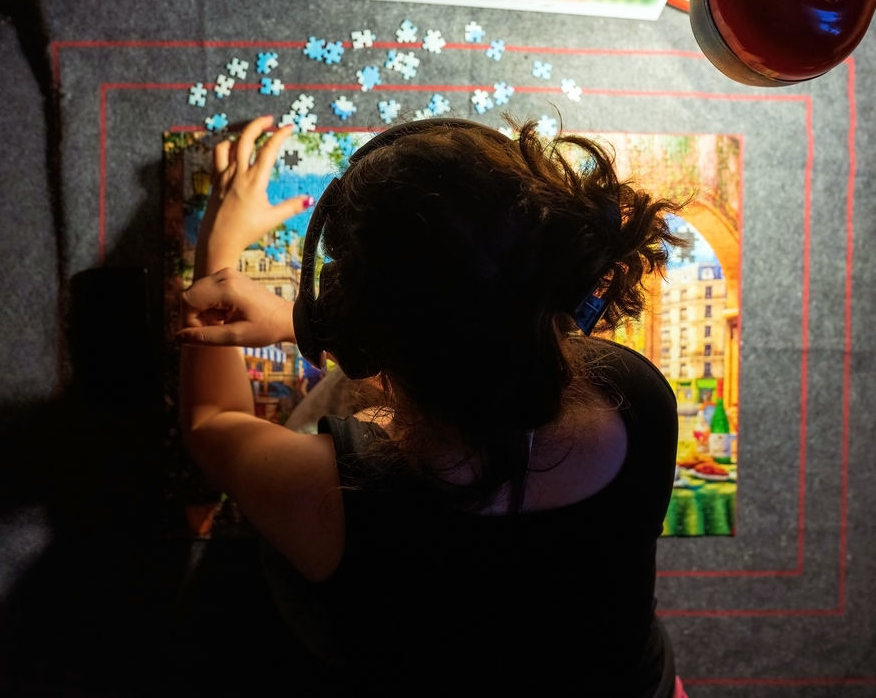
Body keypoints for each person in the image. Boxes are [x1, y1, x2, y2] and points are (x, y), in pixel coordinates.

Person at [178, 114, 687, 695]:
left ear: (367, 349)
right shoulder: (636, 395)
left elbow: (211, 423)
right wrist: (309, 325)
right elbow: (489, 332)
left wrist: (217, 247)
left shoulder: (331, 493)